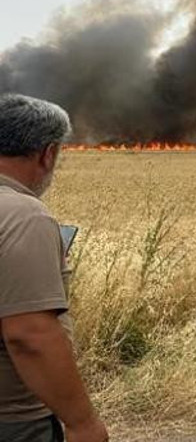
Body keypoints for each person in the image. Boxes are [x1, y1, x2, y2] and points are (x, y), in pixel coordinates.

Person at [0, 94, 108, 442]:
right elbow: (29, 334)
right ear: (48, 153)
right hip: (13, 422)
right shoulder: (23, 215)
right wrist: (82, 423)